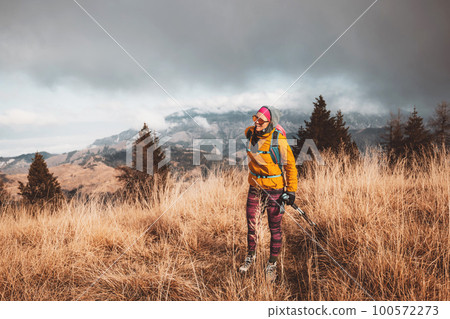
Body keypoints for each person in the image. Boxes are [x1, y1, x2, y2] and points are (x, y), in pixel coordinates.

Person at [239, 106, 298, 282]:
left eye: (261, 120)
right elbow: (247, 130)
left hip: (275, 189)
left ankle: (271, 264)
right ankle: (251, 256)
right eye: (255, 118)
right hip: (255, 187)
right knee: (252, 224)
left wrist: (291, 190)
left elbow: (290, 167)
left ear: (269, 123)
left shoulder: (279, 140)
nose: (256, 122)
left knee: (275, 228)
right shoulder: (250, 133)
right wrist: (259, 129)